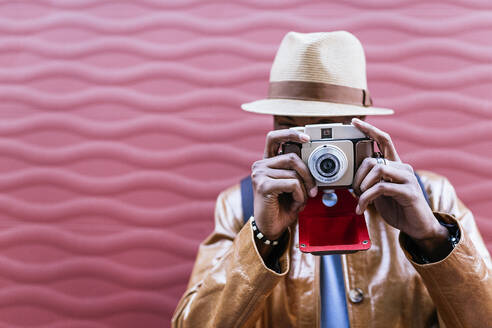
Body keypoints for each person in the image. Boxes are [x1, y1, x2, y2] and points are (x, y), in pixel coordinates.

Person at [171, 31, 492, 328]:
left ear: (363, 127)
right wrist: (262, 239)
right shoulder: (243, 206)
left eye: (328, 131)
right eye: (292, 128)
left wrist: (432, 238)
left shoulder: (431, 197)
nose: (317, 153)